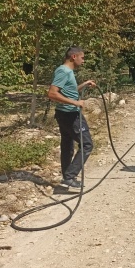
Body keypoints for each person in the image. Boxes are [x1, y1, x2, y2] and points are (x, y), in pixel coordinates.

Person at [47, 46, 96, 189]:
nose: (84, 60)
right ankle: (70, 176)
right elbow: (52, 93)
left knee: (67, 145)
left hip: (65, 113)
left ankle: (67, 177)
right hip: (70, 114)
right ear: (74, 57)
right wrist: (76, 102)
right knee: (87, 145)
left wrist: (84, 84)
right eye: (82, 57)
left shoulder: (68, 72)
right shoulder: (63, 71)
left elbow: (69, 92)